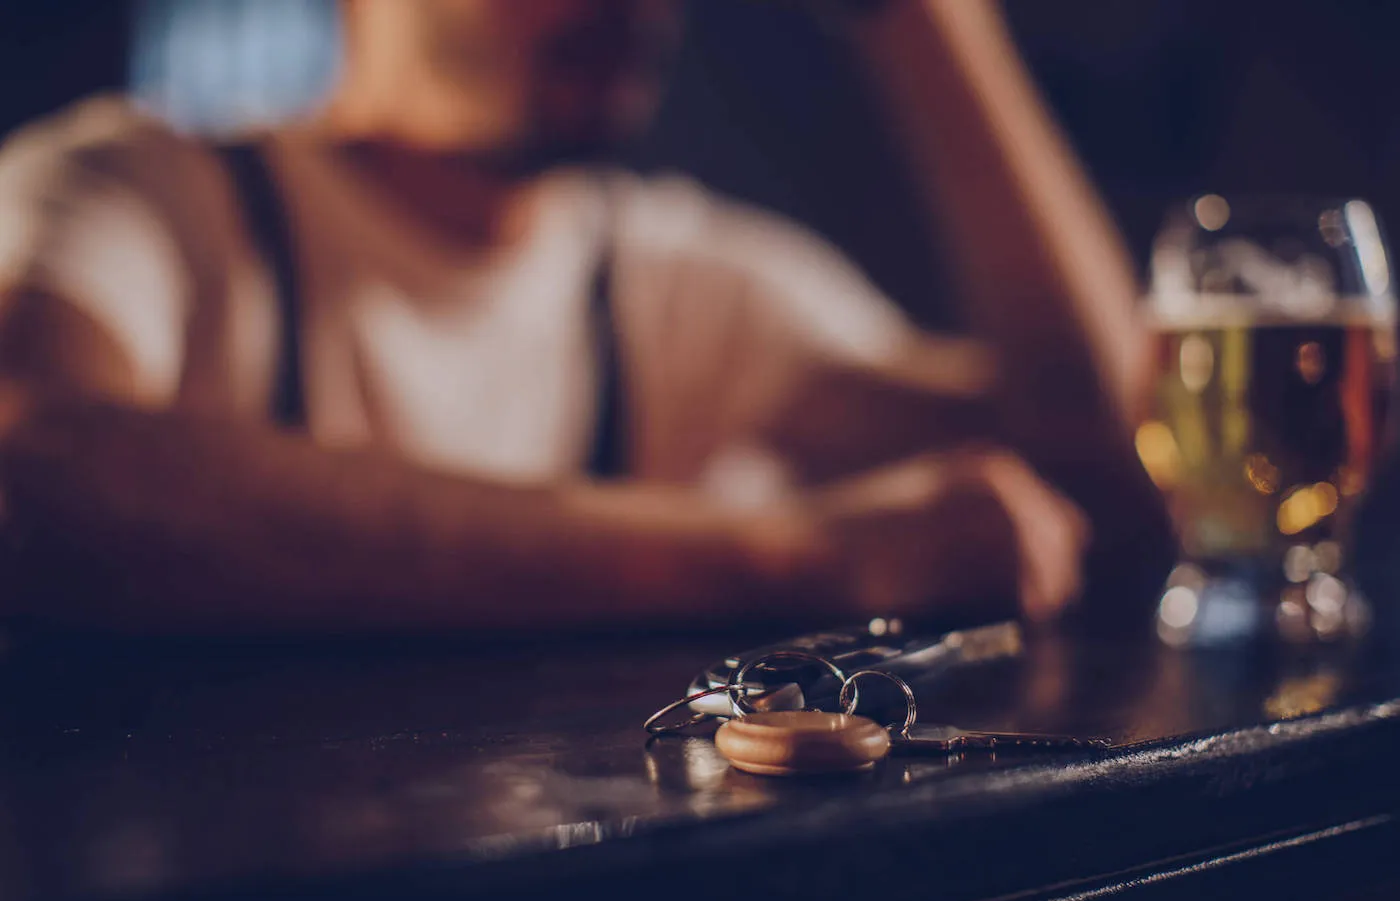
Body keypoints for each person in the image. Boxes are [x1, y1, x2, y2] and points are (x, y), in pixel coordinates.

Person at [0, 0, 1168, 636]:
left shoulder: (678, 280)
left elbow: (1125, 470)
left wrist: (921, 18)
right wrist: (791, 557)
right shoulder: (138, 193)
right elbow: (36, 467)